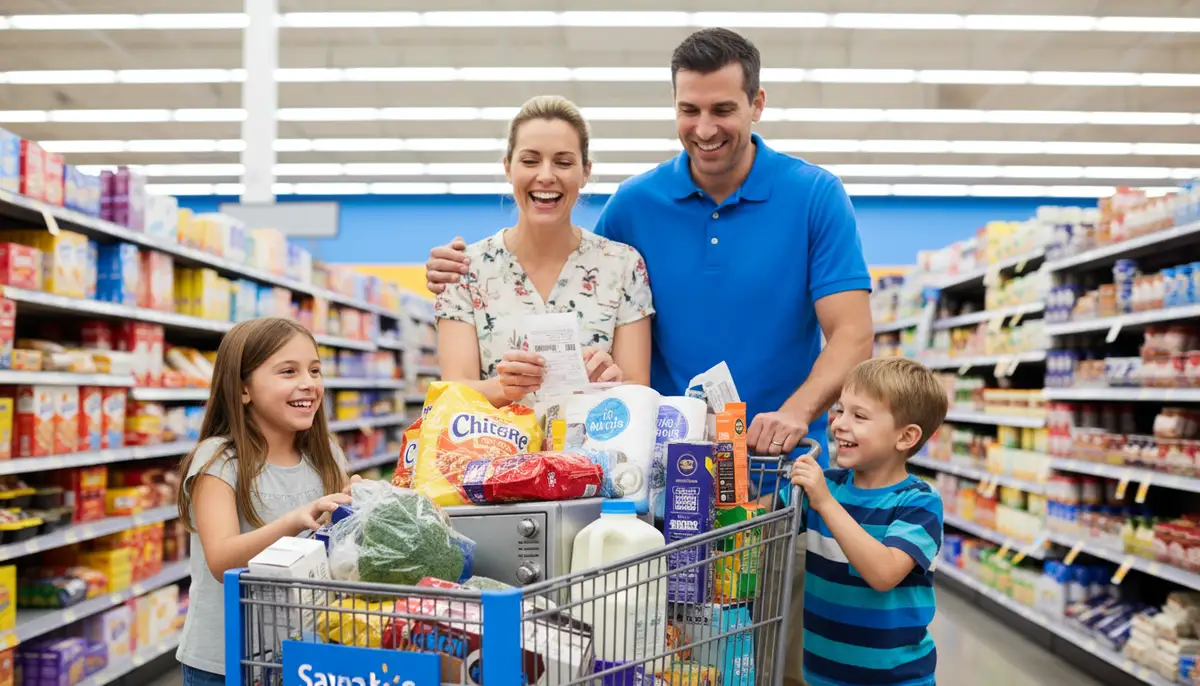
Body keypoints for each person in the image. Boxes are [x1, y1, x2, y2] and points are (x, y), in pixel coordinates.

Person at [424, 29, 874, 683]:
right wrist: (448, 273)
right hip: (664, 491)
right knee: (659, 656)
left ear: (757, 104)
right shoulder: (634, 207)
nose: (705, 127)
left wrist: (795, 414)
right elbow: (579, 293)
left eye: (723, 109)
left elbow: (853, 334)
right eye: (689, 109)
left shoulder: (813, 195)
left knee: (761, 655)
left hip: (772, 481)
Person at [436, 94, 654, 407]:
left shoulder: (623, 266)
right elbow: (451, 392)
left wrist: (610, 384)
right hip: (495, 453)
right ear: (508, 168)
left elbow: (637, 388)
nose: (546, 175)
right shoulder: (464, 270)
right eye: (530, 160)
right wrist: (504, 388)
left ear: (585, 172)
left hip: (592, 455)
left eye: (564, 162)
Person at [174, 317, 356, 684]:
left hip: (307, 655)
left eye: (315, 370)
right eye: (288, 371)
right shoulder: (219, 461)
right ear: (244, 389)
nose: (308, 382)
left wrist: (363, 507)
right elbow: (222, 559)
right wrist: (294, 520)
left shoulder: (327, 455)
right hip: (227, 662)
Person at [789, 357, 947, 686]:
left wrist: (824, 502)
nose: (839, 424)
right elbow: (762, 516)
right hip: (821, 674)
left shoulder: (919, 502)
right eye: (840, 409)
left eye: (859, 416)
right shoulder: (829, 484)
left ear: (905, 437)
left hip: (896, 679)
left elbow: (884, 573)